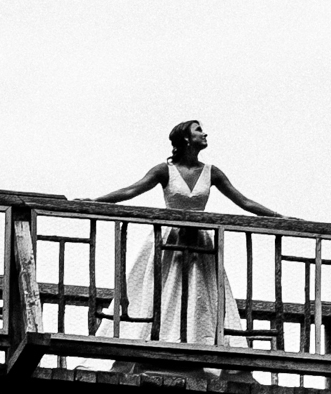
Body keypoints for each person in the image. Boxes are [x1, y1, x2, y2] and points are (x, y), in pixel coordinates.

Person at [97, 120, 280, 348]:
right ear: (185, 138)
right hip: (169, 238)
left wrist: (278, 217)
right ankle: (156, 341)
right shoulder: (165, 170)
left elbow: (243, 201)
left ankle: (198, 344)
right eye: (198, 130)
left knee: (199, 291)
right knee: (163, 288)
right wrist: (95, 201)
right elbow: (132, 190)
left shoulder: (211, 172)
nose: (205, 134)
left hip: (199, 242)